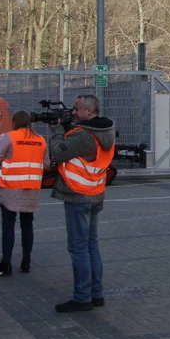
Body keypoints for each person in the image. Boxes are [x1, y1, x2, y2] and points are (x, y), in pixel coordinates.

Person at [49, 94, 116, 313]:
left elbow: (58, 153)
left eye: (77, 109)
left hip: (78, 196)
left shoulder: (83, 135)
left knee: (78, 248)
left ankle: (82, 297)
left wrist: (57, 132)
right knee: (91, 245)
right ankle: (96, 294)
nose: (74, 112)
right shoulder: (105, 131)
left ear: (90, 110)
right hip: (95, 192)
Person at [0, 111, 50, 276]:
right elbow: (46, 164)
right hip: (31, 188)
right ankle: (26, 262)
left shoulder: (10, 137)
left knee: (8, 225)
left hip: (11, 187)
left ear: (14, 122)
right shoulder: (40, 140)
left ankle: (6, 262)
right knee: (27, 225)